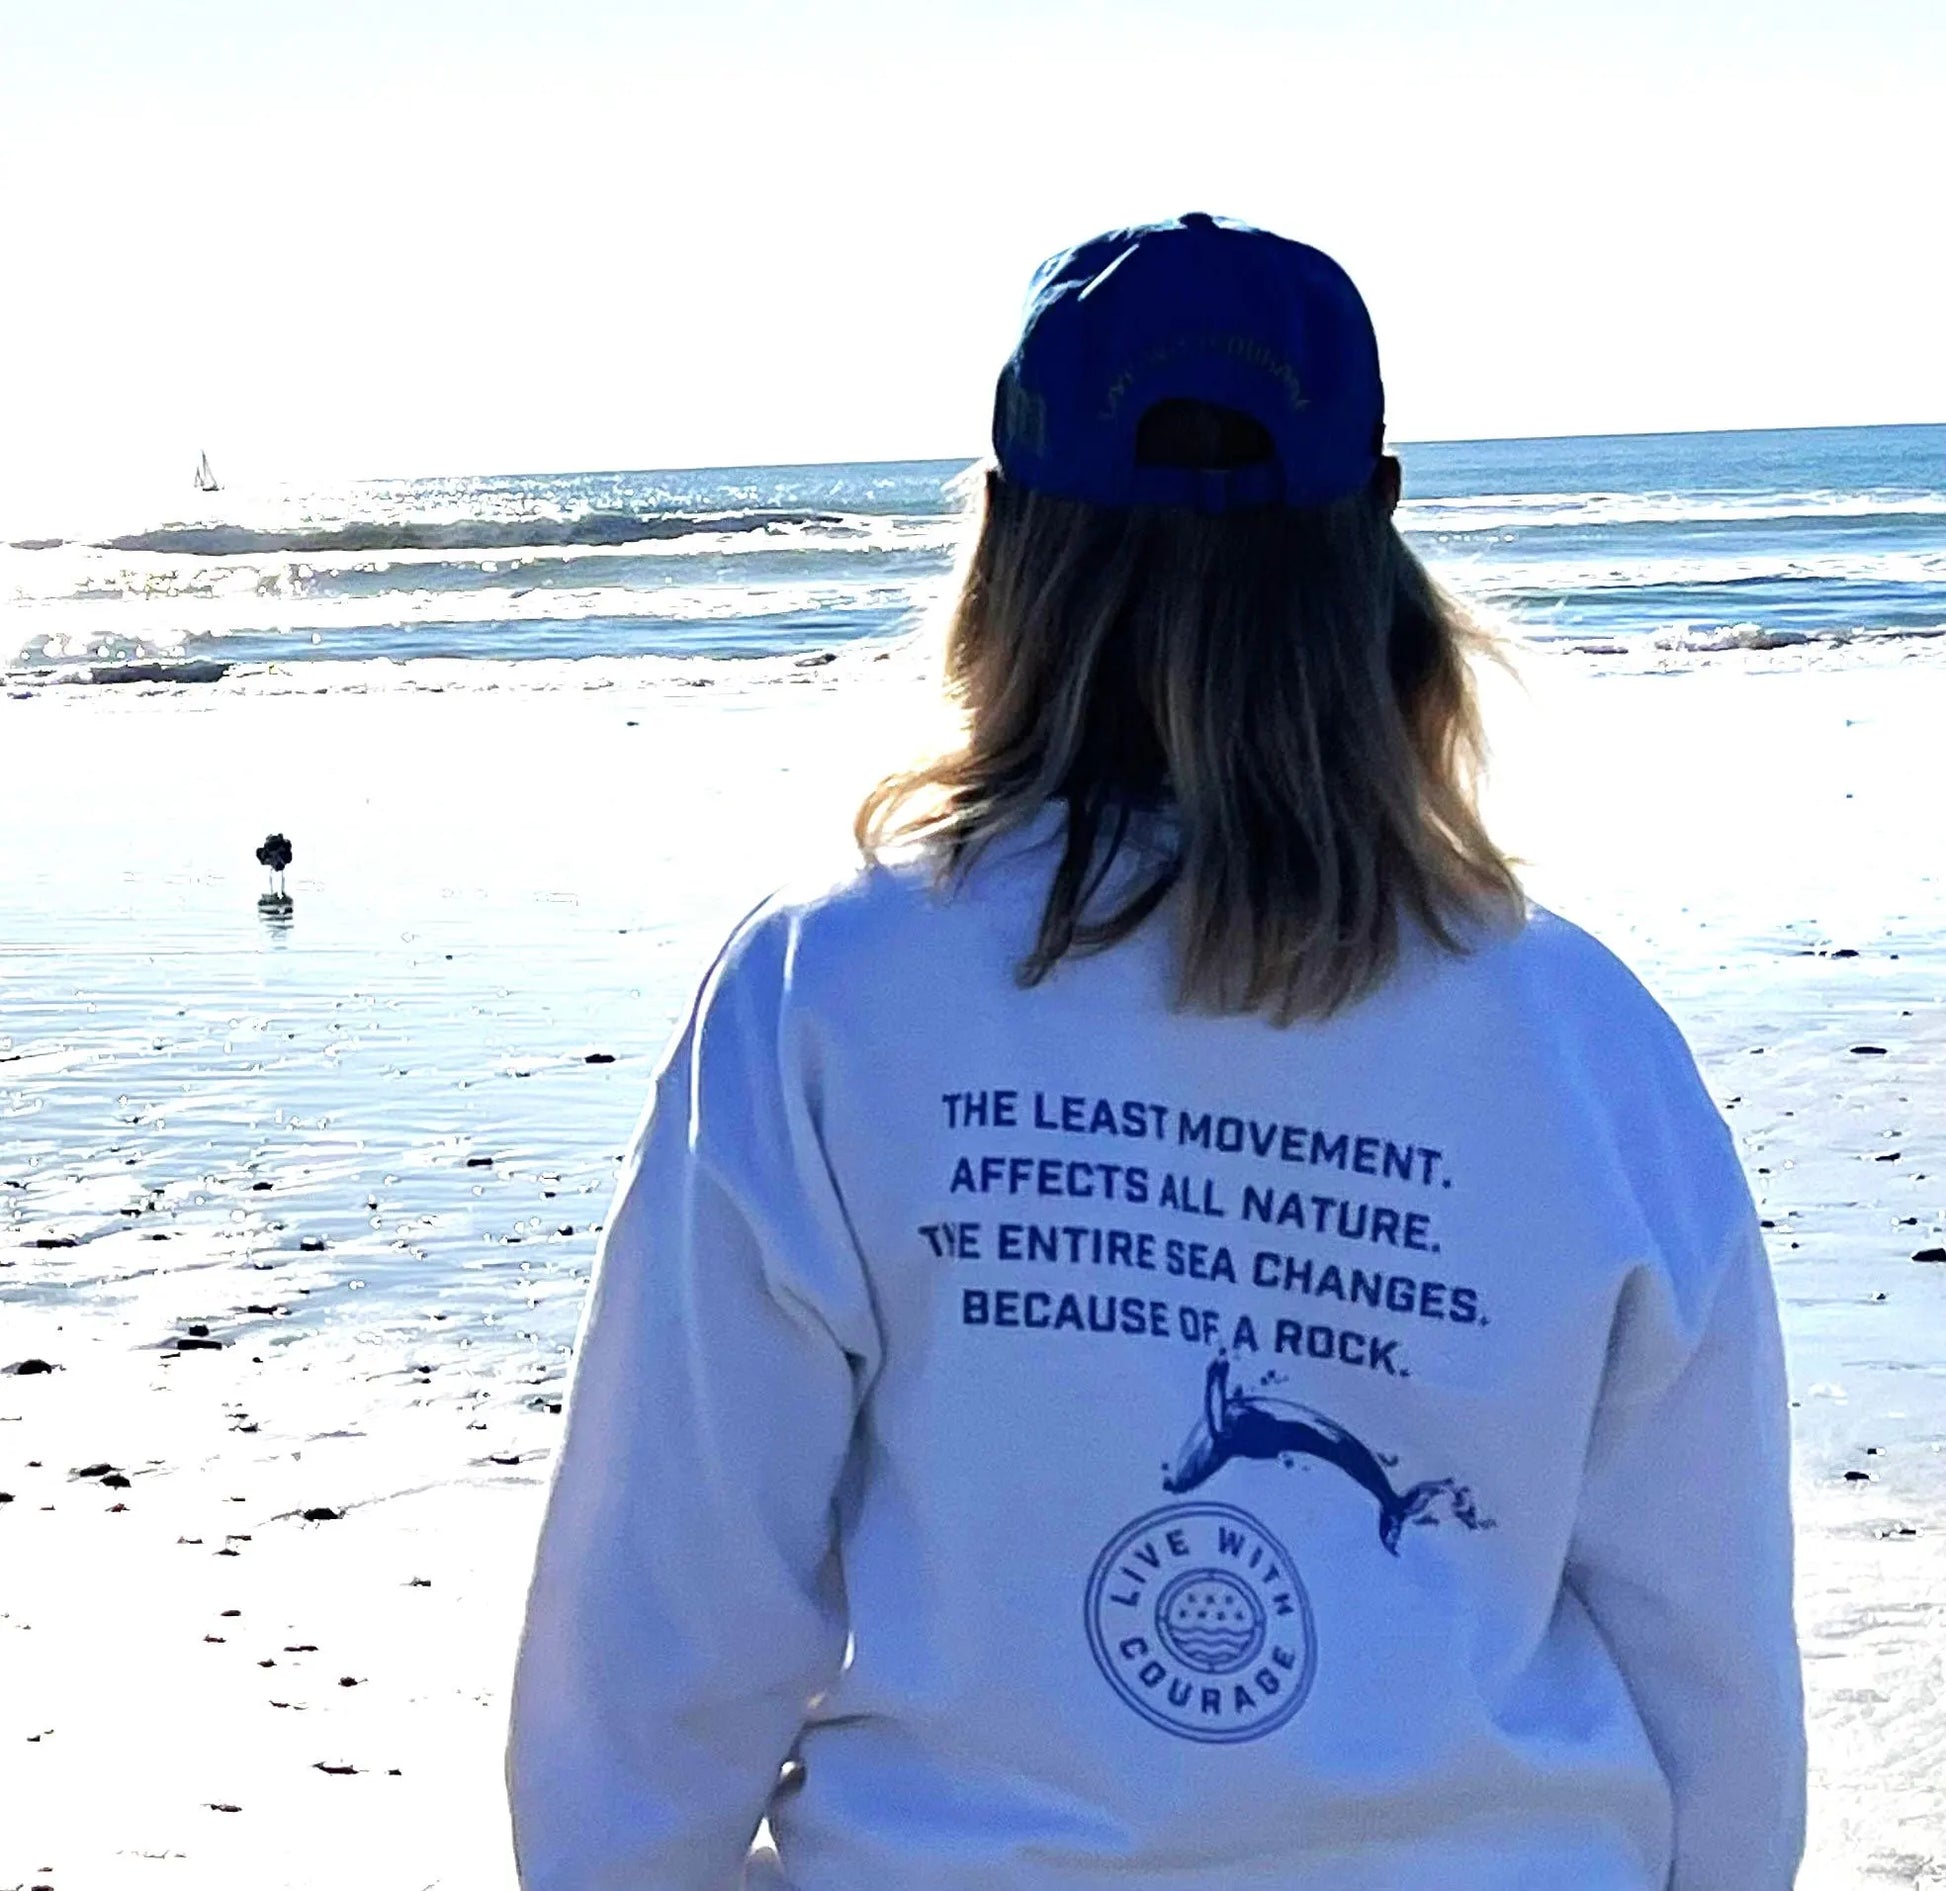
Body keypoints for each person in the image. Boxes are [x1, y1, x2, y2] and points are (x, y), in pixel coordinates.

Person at [507, 212, 1805, 1890]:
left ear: (1004, 533)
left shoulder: (829, 983)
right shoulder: (1581, 1034)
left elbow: (669, 1611)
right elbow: (1705, 1647)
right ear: (1375, 526)